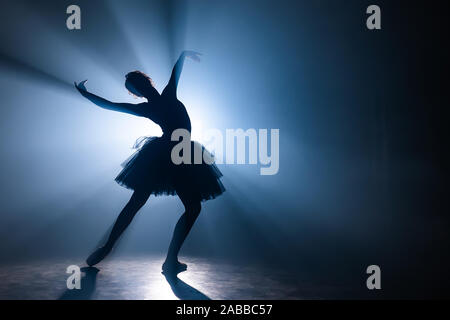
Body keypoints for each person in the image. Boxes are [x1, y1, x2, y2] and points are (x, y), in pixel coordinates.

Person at [74, 50, 225, 274]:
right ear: (139, 90)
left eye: (136, 85)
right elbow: (111, 104)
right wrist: (86, 95)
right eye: (135, 88)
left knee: (157, 203)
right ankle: (165, 258)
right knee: (181, 206)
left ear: (144, 84)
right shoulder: (160, 99)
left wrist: (183, 56)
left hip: (175, 153)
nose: (139, 89)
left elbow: (111, 104)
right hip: (173, 154)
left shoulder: (159, 99)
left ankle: (138, 253)